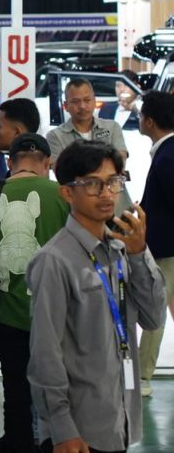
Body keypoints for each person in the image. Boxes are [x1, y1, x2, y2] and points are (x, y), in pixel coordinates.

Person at [28, 141, 166, 453]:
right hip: (79, 429)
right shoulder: (54, 260)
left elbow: (154, 317)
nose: (106, 194)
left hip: (119, 419)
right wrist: (62, 428)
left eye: (113, 182)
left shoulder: (120, 251)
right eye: (92, 184)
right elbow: (44, 353)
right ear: (67, 192)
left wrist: (139, 253)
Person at [0, 133, 68, 453]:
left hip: (6, 312)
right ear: (48, 163)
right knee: (56, 384)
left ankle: (18, 441)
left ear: (10, 162)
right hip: (56, 312)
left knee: (14, 382)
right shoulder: (64, 194)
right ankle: (52, 441)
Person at [135, 90, 174, 397]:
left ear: (149, 121)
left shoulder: (168, 156)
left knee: (154, 311)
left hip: (165, 248)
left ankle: (142, 376)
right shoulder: (166, 152)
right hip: (166, 246)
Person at [46, 79, 129, 169]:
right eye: (76, 101)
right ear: (66, 106)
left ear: (94, 101)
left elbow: (120, 161)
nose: (82, 106)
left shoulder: (112, 127)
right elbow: (60, 170)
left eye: (87, 100)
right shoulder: (55, 136)